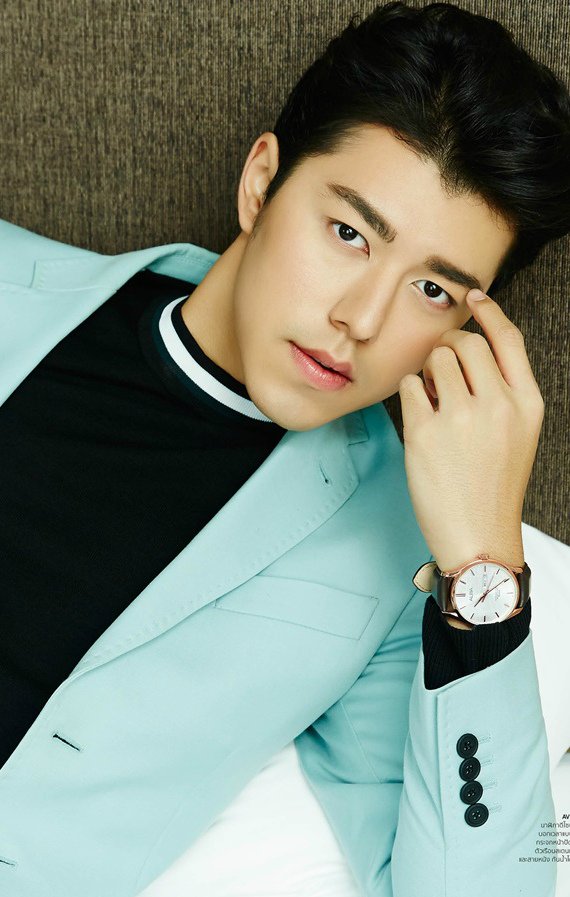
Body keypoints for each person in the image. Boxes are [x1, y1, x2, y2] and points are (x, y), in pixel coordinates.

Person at [0, 2, 568, 895]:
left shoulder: (394, 562)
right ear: (261, 183)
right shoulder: (13, 286)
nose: (362, 319)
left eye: (432, 290)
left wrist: (487, 570)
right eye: (349, 233)